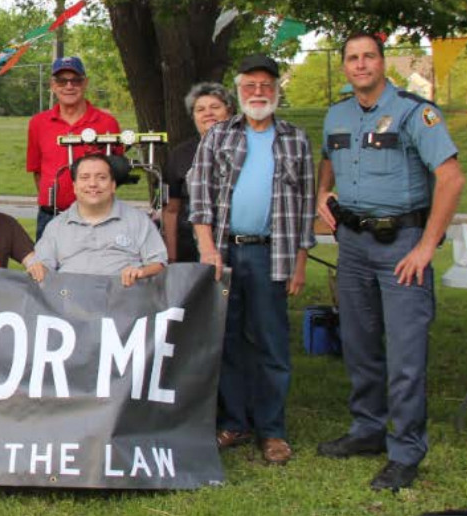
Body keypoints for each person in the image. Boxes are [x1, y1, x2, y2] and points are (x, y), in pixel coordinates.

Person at [315, 33, 466, 492]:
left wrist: (426, 246)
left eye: (369, 57)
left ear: (383, 63)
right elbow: (329, 160)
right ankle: (367, 430)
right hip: (354, 246)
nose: (360, 65)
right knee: (359, 345)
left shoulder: (414, 112)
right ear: (344, 66)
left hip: (403, 244)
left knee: (405, 353)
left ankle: (405, 451)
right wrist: (323, 192)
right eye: (352, 58)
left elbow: (452, 179)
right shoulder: (336, 114)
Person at [187, 55, 314, 466]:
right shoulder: (219, 136)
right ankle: (236, 421)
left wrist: (300, 262)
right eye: (250, 86)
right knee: (228, 341)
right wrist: (207, 249)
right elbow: (200, 198)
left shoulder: (295, 139)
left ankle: (273, 430)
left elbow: (306, 205)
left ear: (277, 90)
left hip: (271, 253)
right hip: (225, 252)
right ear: (239, 92)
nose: (258, 92)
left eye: (266, 85)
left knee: (271, 343)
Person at [28, 154, 166, 286]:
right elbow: (42, 266)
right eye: (85, 177)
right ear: (75, 186)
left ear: (113, 185)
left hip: (124, 301)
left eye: (101, 177)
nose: (93, 184)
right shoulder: (56, 226)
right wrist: (39, 269)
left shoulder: (139, 221)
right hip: (70, 303)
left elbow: (159, 264)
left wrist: (141, 272)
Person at [26, 56, 121, 240]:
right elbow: (37, 172)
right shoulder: (38, 123)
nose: (69, 86)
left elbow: (116, 173)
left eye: (75, 80)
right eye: (62, 81)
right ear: (53, 85)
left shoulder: (107, 123)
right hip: (51, 215)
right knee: (46, 268)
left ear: (85, 83)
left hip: (97, 216)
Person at [164, 82, 235, 263]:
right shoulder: (179, 155)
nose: (208, 113)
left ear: (229, 111)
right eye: (200, 109)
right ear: (193, 116)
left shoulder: (244, 148)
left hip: (236, 245)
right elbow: (171, 210)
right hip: (190, 248)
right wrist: (171, 255)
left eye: (215, 107)